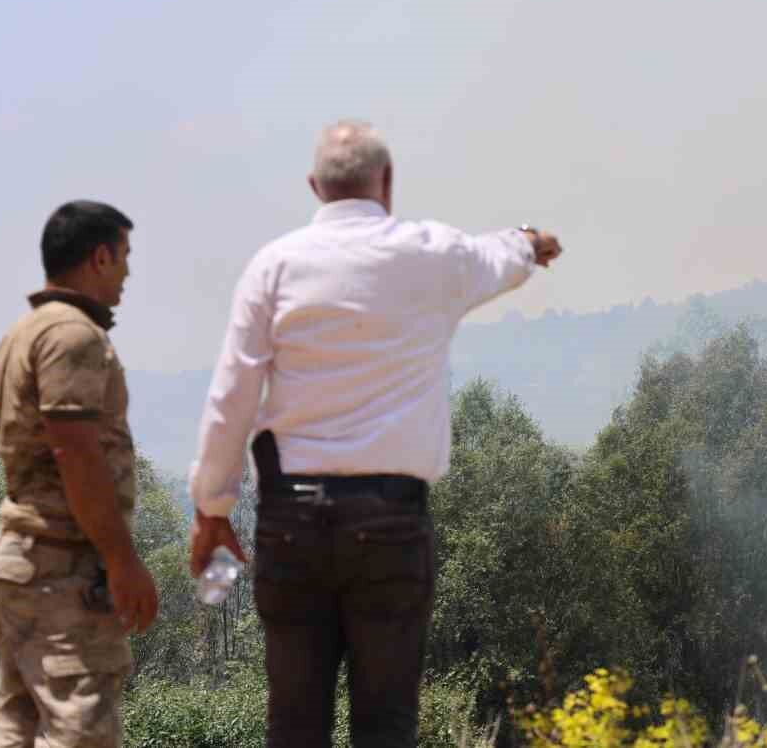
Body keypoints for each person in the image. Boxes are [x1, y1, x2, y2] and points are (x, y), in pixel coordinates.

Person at [187, 120, 562, 748]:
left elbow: (232, 398)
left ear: (315, 186)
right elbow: (506, 253)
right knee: (386, 725)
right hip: (391, 525)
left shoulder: (273, 267)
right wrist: (533, 238)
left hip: (291, 523)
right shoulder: (432, 255)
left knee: (295, 724)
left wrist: (212, 511)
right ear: (386, 182)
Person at [0, 201, 159, 748]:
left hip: (20, 563)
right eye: (125, 256)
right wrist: (122, 560)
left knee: (16, 721)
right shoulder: (73, 337)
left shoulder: (20, 334)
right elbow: (74, 454)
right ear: (99, 257)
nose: (128, 271)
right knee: (82, 730)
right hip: (62, 570)